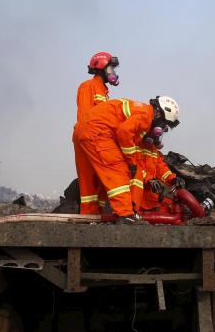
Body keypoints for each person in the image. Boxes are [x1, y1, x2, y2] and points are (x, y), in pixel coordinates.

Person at [75, 96, 180, 224]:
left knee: (90, 181)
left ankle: (87, 217)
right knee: (118, 171)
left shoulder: (138, 110)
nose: (162, 130)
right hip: (98, 132)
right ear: (159, 114)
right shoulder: (147, 116)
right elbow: (124, 133)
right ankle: (124, 215)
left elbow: (160, 166)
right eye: (164, 125)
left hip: (82, 129)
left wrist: (172, 178)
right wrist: (131, 162)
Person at [73, 52, 120, 214]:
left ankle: (98, 215)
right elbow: (86, 118)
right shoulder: (88, 86)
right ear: (101, 67)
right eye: (111, 68)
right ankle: (88, 216)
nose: (113, 72)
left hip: (98, 139)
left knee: (100, 179)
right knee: (89, 182)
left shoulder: (103, 91)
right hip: (88, 137)